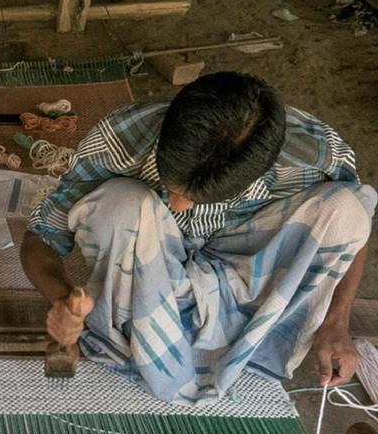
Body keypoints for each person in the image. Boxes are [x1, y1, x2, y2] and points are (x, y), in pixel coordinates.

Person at [20, 72, 375, 404]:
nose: (178, 205)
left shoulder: (314, 155)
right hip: (153, 262)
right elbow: (41, 237)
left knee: (347, 208)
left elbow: (349, 236)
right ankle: (164, 331)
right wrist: (62, 300)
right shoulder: (121, 138)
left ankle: (181, 336)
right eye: (171, 186)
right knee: (120, 204)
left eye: (196, 196)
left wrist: (335, 323)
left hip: (243, 266)